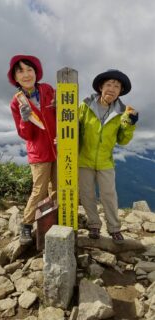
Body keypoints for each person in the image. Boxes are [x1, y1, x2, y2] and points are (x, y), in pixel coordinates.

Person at [79, 69, 138, 243]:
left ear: (120, 91)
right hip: (84, 159)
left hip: (105, 161)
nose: (112, 89)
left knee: (108, 195)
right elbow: (73, 127)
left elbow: (123, 140)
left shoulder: (122, 112)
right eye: (109, 85)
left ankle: (114, 228)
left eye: (116, 86)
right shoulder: (85, 106)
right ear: (100, 87)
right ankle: (94, 225)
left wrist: (129, 125)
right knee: (87, 194)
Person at [7, 55, 57, 245]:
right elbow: (25, 135)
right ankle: (26, 226)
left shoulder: (47, 90)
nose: (26, 74)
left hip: (58, 146)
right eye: (20, 71)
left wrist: (59, 106)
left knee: (57, 188)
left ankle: (52, 219)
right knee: (39, 190)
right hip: (38, 152)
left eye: (29, 69)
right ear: (15, 78)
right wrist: (24, 119)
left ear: (36, 73)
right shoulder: (17, 102)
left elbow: (60, 116)